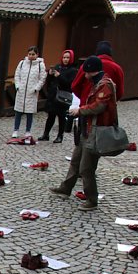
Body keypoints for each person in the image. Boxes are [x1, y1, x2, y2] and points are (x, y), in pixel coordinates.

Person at [49, 56, 117, 212]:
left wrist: (80, 110)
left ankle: (92, 199)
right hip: (86, 128)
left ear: (92, 71)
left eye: (86, 72)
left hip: (96, 131)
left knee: (86, 167)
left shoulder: (105, 85)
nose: (84, 76)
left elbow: (99, 106)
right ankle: (65, 188)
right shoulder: (94, 84)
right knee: (75, 160)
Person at [39, 49, 76, 143]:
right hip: (53, 96)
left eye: (67, 57)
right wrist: (50, 74)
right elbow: (50, 81)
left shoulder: (73, 70)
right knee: (50, 116)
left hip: (63, 97)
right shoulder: (58, 66)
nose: (65, 59)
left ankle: (60, 136)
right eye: (64, 57)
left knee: (61, 117)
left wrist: (59, 76)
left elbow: (69, 84)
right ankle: (46, 134)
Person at [12, 46, 46, 138]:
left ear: (37, 55)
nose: (31, 56)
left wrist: (36, 88)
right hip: (21, 91)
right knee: (18, 112)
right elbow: (17, 74)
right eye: (29, 54)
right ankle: (16, 130)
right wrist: (18, 86)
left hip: (32, 92)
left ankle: (28, 130)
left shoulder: (40, 65)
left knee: (29, 113)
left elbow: (42, 78)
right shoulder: (22, 63)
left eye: (33, 54)